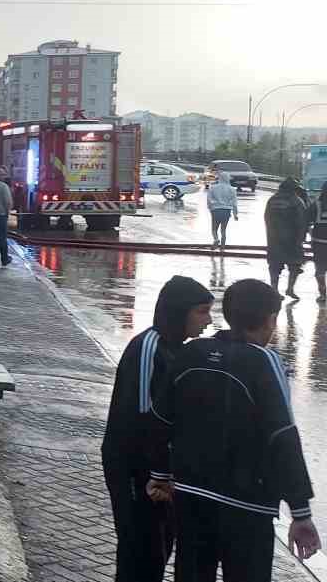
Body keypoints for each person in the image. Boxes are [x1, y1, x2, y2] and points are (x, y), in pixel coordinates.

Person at [147, 279, 320, 580]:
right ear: (269, 319)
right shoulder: (265, 361)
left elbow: (161, 419)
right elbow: (282, 437)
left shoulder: (192, 353)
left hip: (191, 496)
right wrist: (300, 511)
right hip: (247, 505)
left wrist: (160, 475)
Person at [102, 276, 214, 582]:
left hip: (160, 473)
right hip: (135, 469)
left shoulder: (178, 349)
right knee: (139, 550)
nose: (209, 320)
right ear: (180, 311)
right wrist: (155, 474)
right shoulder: (149, 348)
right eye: (202, 311)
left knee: (158, 549)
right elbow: (143, 418)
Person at [266, 178, 310, 299]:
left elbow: (267, 219)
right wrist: (301, 238)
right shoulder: (296, 201)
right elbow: (302, 221)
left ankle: (274, 290)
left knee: (274, 267)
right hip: (293, 240)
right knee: (295, 265)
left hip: (274, 240)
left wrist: (271, 235)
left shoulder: (272, 200)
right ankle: (290, 289)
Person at [207, 172, 238, 249]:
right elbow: (234, 203)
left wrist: (210, 208)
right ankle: (222, 247)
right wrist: (235, 214)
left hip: (216, 210)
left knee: (214, 228)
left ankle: (216, 239)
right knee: (223, 229)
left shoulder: (213, 187)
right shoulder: (232, 189)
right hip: (226, 211)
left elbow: (209, 200)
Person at [314, 185, 327, 303]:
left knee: (320, 270)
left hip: (319, 243)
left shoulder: (317, 204)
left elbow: (305, 219)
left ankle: (323, 294)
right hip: (319, 242)